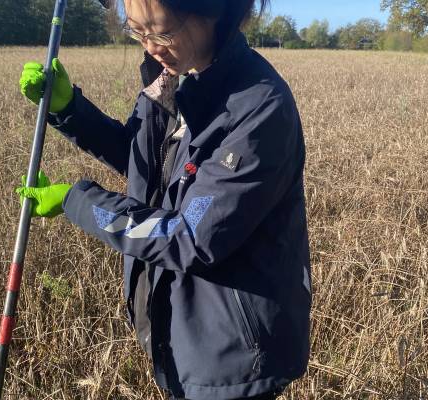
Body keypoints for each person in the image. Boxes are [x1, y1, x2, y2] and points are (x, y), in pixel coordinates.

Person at [17, 0, 311, 399]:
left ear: (212, 11)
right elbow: (146, 163)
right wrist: (69, 109)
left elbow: (188, 236)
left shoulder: (259, 108)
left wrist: (77, 202)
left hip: (233, 357)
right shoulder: (172, 79)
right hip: (182, 332)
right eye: (137, 32)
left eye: (161, 32)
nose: (151, 47)